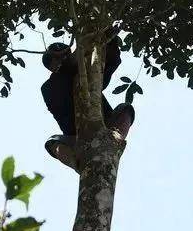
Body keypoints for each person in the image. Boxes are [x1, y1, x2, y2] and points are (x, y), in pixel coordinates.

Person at [41, 35, 135, 170]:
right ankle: (79, 165)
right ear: (51, 67)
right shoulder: (49, 87)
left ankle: (114, 142)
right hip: (76, 137)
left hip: (105, 126)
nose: (63, 59)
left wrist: (110, 40)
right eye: (57, 58)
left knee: (125, 109)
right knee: (53, 142)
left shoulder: (89, 73)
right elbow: (67, 69)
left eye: (66, 55)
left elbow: (110, 63)